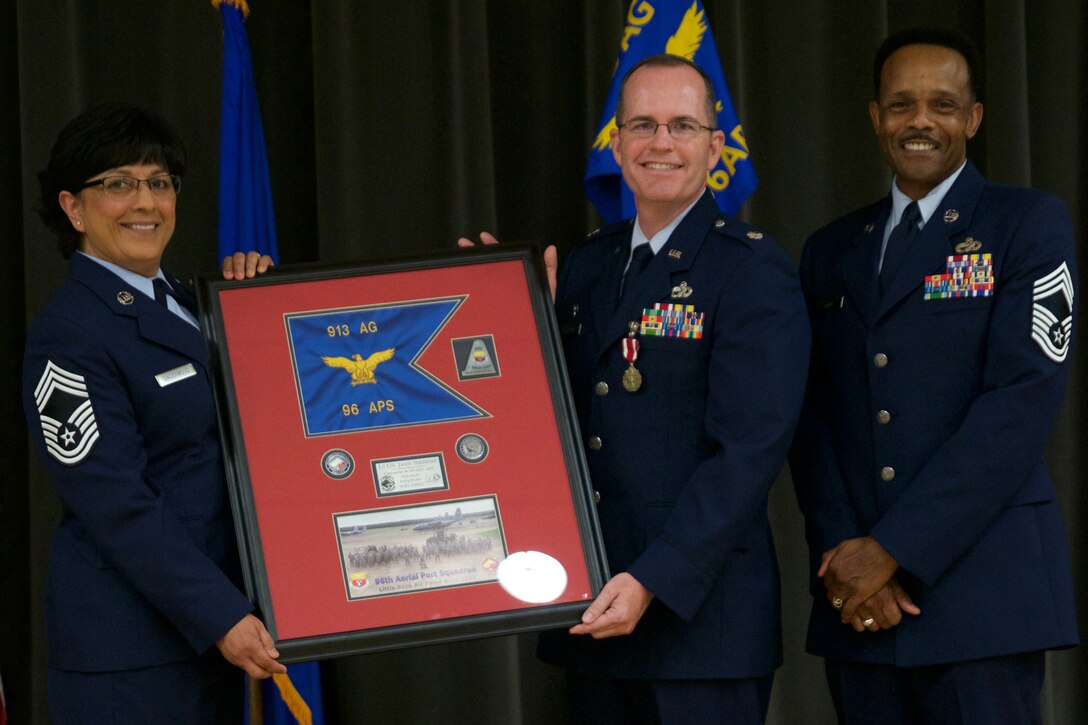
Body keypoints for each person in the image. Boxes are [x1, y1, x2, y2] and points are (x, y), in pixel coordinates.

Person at [463, 54, 809, 724]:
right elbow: (553, 423)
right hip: (591, 612)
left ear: (715, 146)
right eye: (642, 125)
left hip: (699, 629)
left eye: (682, 126)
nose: (660, 143)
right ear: (616, 146)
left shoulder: (751, 271)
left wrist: (654, 578)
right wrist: (502, 314)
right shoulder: (587, 265)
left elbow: (747, 453)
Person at [790, 27, 1079, 723]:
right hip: (859, 608)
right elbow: (809, 416)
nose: (920, 121)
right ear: (875, 116)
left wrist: (894, 550)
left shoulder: (1027, 224)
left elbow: (1020, 405)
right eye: (901, 104)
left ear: (974, 117)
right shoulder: (831, 249)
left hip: (983, 598)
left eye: (943, 105)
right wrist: (846, 560)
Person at [22, 103, 284, 722]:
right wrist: (221, 614)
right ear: (73, 207)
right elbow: (117, 503)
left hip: (206, 636)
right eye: (118, 184)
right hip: (131, 655)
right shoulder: (69, 334)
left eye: (159, 183)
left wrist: (262, 306)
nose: (145, 202)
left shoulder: (197, 304)